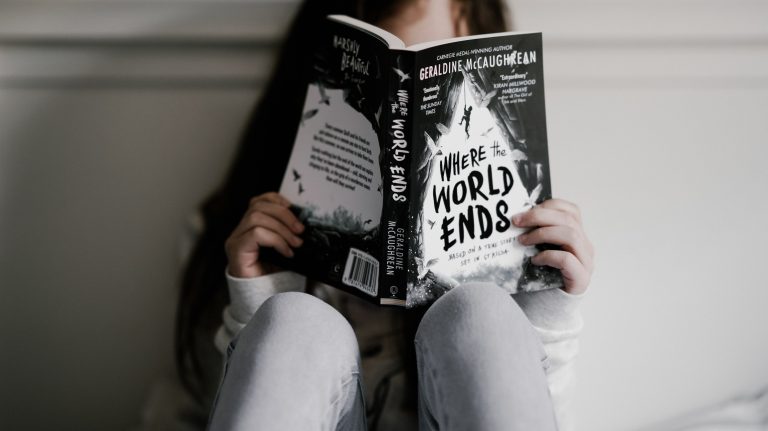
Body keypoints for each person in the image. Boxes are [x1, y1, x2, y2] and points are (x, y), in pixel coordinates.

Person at [173, 1, 595, 430]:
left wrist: (546, 317)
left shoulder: (522, 233)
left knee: (479, 311)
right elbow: (190, 410)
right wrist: (255, 304)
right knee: (295, 321)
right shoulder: (233, 233)